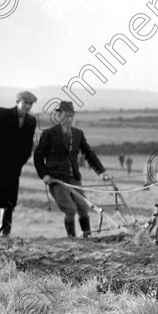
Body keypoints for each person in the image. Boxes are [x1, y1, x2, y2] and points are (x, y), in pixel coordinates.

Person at [33, 101, 110, 238]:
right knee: (70, 209)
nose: (68, 119)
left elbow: (89, 154)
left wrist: (102, 172)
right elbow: (38, 157)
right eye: (65, 116)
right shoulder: (49, 134)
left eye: (71, 116)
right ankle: (72, 239)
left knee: (83, 208)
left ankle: (87, 237)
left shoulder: (78, 134)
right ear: (58, 116)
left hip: (74, 178)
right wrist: (44, 175)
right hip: (57, 179)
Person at [0, 91, 38, 236]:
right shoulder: (1, 114)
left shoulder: (31, 121)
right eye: (25, 103)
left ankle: (5, 230)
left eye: (30, 104)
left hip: (13, 165)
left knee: (10, 195)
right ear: (17, 102)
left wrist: (19, 162)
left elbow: (27, 146)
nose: (28, 106)